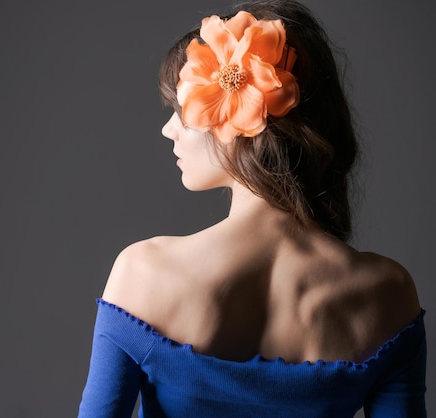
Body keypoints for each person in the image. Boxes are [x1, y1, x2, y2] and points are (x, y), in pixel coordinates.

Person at [78, 0, 426, 416]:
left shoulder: (144, 273)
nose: (168, 129)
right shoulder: (387, 293)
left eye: (182, 110)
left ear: (237, 117)